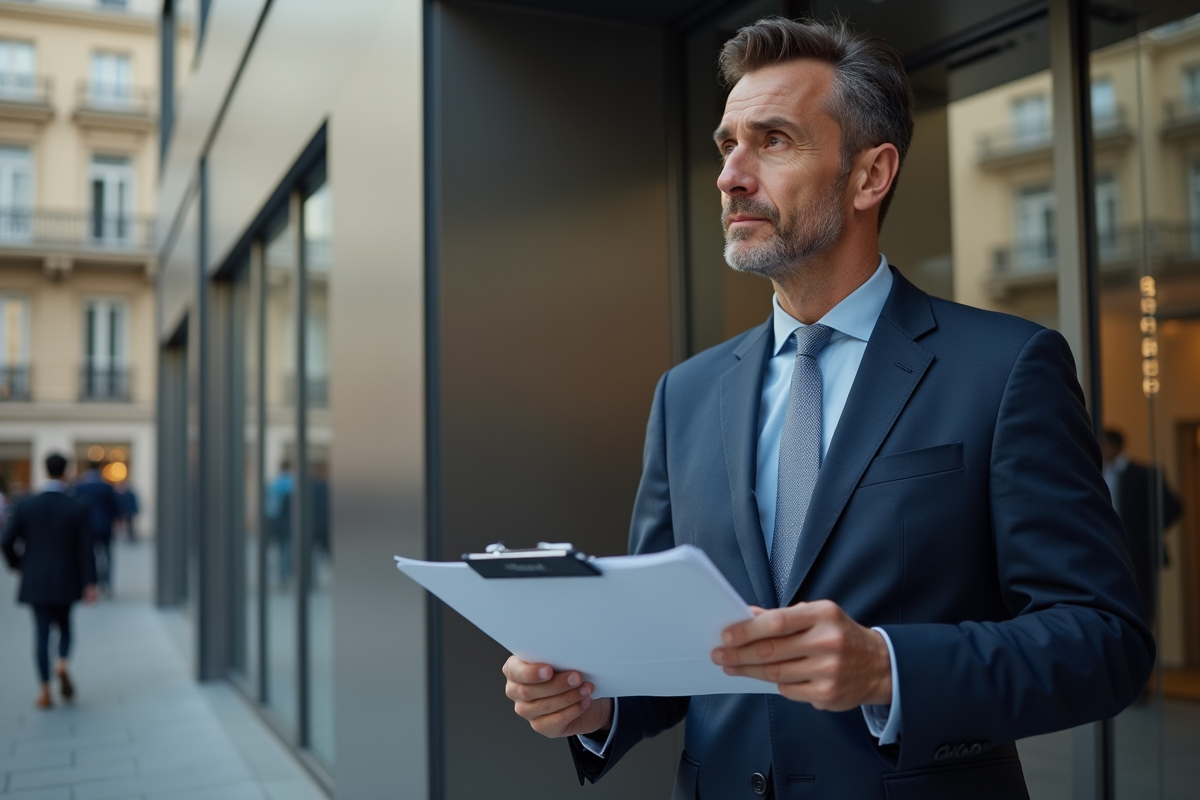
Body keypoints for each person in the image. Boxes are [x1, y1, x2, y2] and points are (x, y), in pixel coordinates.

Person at [501, 18, 1153, 799]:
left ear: (869, 176)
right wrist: (595, 699)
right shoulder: (687, 393)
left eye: (772, 140)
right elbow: (671, 647)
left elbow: (1102, 640)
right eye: (726, 145)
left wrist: (887, 666)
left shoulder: (1008, 368)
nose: (730, 176)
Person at [2, 453, 97, 709]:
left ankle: (44, 690)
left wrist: (18, 565)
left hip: (35, 578)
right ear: (66, 472)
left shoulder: (25, 504)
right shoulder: (77, 506)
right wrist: (91, 582)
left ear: (45, 471)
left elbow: (6, 541)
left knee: (41, 633)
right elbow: (86, 549)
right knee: (65, 625)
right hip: (68, 577)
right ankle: (62, 662)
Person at [1101, 428, 1182, 629]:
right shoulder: (1097, 472)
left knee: (1142, 603)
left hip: (1138, 553)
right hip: (1106, 549)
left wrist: (1145, 533)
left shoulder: (1143, 473)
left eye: (1102, 444)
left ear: (1113, 446)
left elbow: (1172, 506)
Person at [73, 460, 120, 594]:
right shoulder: (106, 486)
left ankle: (90, 582)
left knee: (88, 555)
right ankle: (106, 583)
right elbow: (114, 506)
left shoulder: (80, 486)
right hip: (105, 525)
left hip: (87, 527)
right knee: (107, 555)